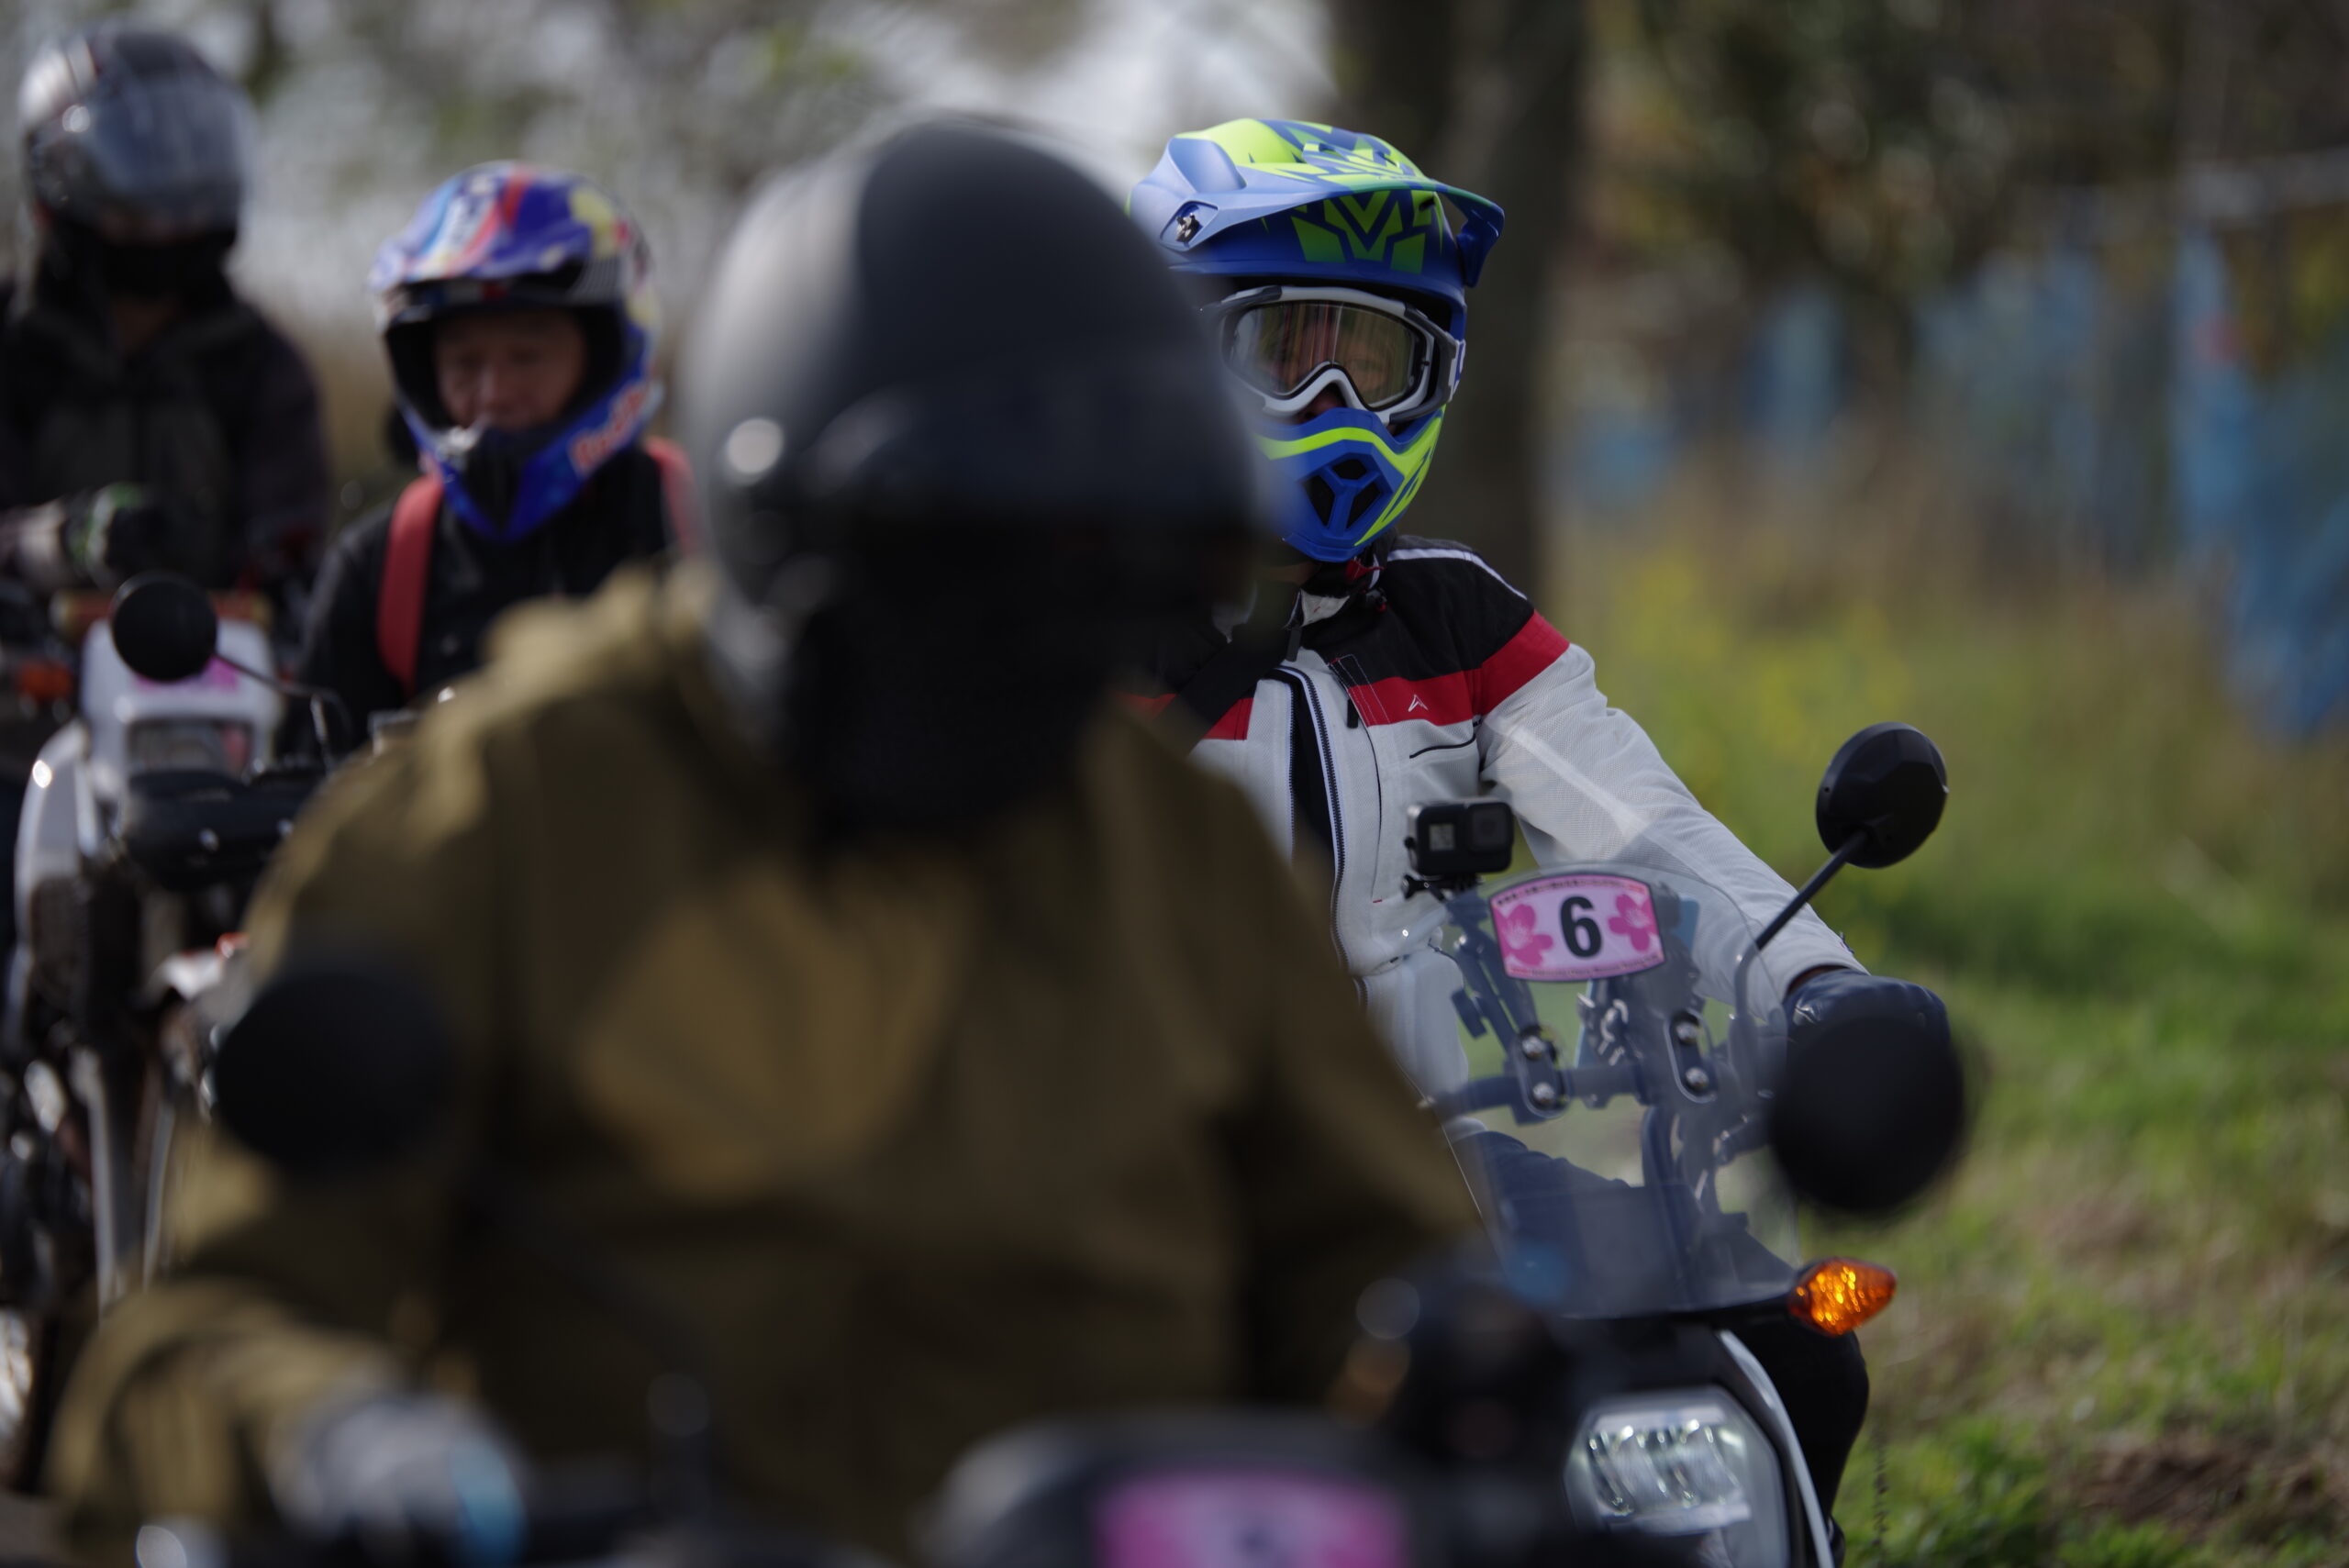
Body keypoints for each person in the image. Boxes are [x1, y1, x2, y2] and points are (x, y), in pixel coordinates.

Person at [44, 125, 1475, 1563]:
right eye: (959, 565)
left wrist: (1483, 1367)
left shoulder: (1175, 847)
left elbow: (1385, 1270)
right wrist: (334, 1433)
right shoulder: (500, 815)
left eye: (1098, 581)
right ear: (779, 533)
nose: (1027, 647)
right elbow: (197, 1341)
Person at [1126, 117, 1945, 1534]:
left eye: (1375, 358)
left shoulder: (1455, 618)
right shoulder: (1081, 644)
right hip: (1169, 1174)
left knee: (1790, 1351)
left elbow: (1643, 824)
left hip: (1432, 1155)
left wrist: (1823, 989)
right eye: (1286, 349)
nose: (1335, 397)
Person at [291, 162, 687, 747]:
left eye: (527, 357)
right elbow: (309, 790)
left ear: (604, 357)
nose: (494, 393)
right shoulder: (381, 566)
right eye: (464, 364)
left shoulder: (695, 527)